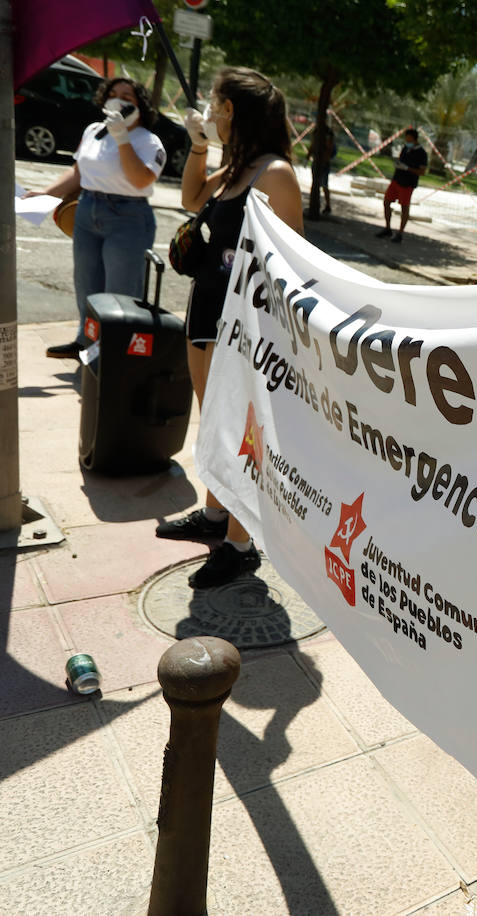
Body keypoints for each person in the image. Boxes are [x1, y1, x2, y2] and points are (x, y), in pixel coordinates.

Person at [154, 67, 304, 589]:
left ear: (233, 110)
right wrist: (197, 146)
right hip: (205, 310)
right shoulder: (238, 166)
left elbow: (292, 265)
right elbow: (191, 199)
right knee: (213, 421)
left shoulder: (274, 173)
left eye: (215, 104)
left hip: (246, 326)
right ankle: (215, 514)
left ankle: (240, 544)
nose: (210, 110)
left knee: (243, 432)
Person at [25, 78, 166, 359]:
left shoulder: (148, 141)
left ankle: (114, 353)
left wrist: (122, 138)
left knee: (121, 291)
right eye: (112, 94)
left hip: (127, 216)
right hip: (88, 209)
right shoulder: (94, 130)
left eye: (127, 95)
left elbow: (141, 180)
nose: (118, 99)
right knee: (86, 282)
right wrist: (46, 193)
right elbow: (78, 172)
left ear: (140, 104)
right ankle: (86, 340)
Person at [375, 127, 427, 243]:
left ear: (415, 139)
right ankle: (387, 228)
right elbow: (400, 159)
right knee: (387, 202)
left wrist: (407, 168)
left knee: (404, 207)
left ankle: (400, 233)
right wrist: (398, 164)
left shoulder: (422, 153)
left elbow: (422, 171)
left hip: (408, 184)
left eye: (409, 140)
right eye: (406, 139)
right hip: (396, 180)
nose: (407, 142)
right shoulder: (405, 149)